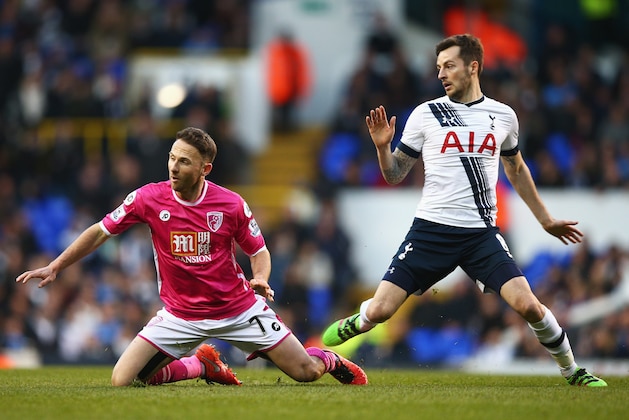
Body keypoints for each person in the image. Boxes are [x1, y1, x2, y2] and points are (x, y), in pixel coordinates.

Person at [321, 34, 606, 387]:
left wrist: (545, 219)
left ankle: (572, 371)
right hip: (430, 231)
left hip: (480, 235)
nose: (441, 74)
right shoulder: (426, 114)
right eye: (439, 67)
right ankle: (358, 320)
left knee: (529, 306)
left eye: (449, 66)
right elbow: (395, 175)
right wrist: (383, 148)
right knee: (380, 311)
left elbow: (516, 169)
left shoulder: (504, 116)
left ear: (473, 67)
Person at [16, 127, 367, 387]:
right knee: (123, 380)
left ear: (205, 169)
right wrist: (57, 264)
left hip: (239, 309)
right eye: (172, 157)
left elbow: (258, 250)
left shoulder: (230, 204)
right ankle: (202, 366)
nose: (173, 167)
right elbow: (100, 231)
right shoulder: (148, 199)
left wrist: (261, 277)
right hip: (179, 316)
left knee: (304, 373)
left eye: (184, 162)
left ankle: (328, 358)